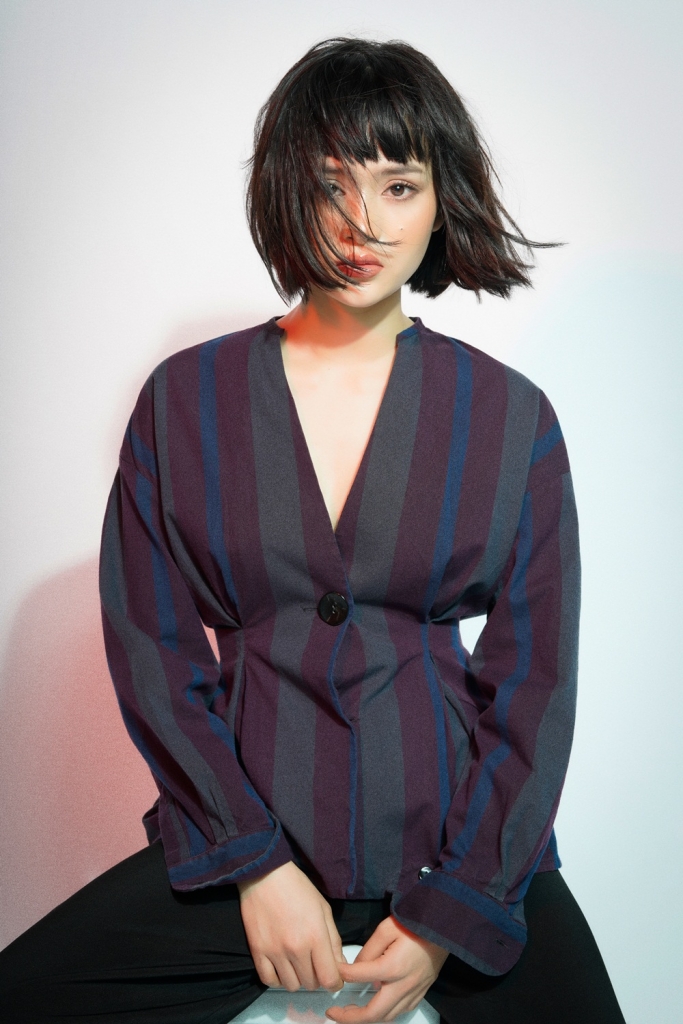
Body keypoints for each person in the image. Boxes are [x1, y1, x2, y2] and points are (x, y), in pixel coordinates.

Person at [0, 37, 625, 1024]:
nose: (360, 222)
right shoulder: (184, 402)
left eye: (397, 186)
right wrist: (254, 865)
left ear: (440, 201)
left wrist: (455, 908)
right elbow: (154, 651)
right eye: (330, 183)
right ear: (285, 192)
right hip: (247, 833)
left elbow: (535, 682)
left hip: (453, 845)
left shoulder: (511, 417)